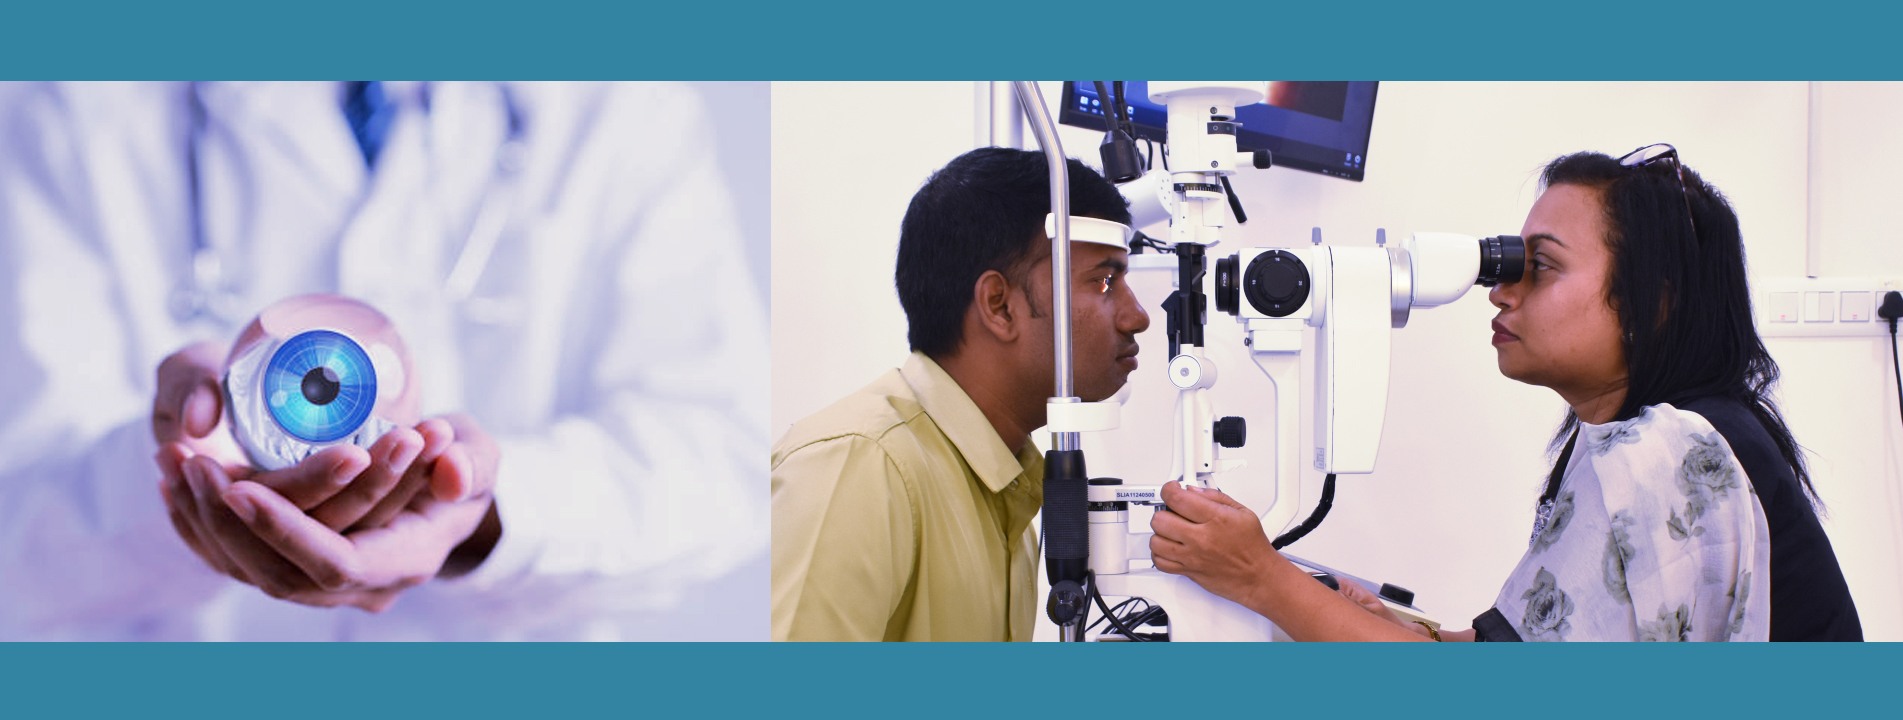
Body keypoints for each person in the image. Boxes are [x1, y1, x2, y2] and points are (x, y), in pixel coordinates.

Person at [0, 82, 768, 641]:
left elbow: (724, 460)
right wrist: (181, 477)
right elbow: (17, 514)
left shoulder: (619, 105)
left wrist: (486, 515)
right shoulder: (69, 108)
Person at [1150, 146, 1862, 641]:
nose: (1499, 288)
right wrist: (1381, 620)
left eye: (1539, 267)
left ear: (1657, 302)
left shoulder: (1666, 452)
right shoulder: (1678, 431)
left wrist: (1259, 577)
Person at [771, 147, 1151, 641]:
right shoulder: (861, 469)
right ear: (999, 305)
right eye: (1103, 281)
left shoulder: (1005, 489)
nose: (1136, 315)